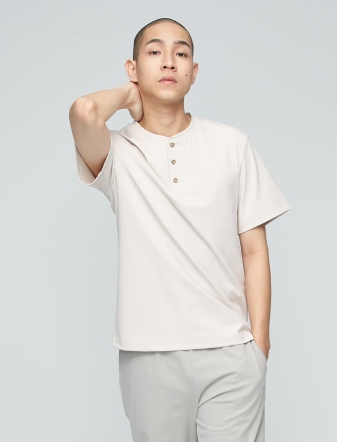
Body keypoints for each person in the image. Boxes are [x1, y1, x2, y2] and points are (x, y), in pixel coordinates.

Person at [69, 17, 290, 442]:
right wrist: (129, 97)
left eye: (181, 53)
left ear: (194, 71)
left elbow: (254, 249)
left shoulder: (232, 144)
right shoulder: (118, 151)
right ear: (133, 68)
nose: (169, 61)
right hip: (148, 354)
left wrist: (259, 345)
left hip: (230, 350)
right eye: (154, 52)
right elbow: (84, 111)